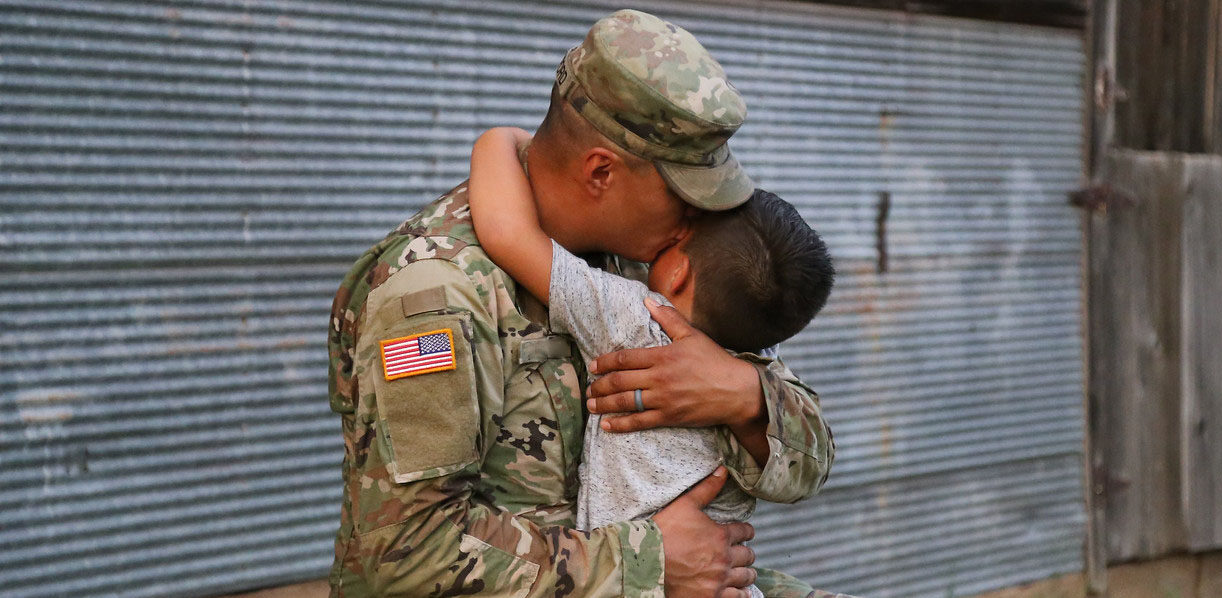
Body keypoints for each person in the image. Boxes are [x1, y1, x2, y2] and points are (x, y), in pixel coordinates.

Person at [327, 9, 841, 597]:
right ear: (601, 172)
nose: (703, 219)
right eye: (686, 194)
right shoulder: (435, 292)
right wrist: (648, 564)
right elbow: (402, 559)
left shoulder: (647, 262)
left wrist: (742, 394)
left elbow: (811, 464)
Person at [467, 123, 836, 598]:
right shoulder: (760, 352)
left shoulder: (632, 316)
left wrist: (498, 140)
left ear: (679, 269)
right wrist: (748, 390)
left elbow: (506, 230)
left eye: (683, 233)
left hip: (639, 584)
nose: (675, 222)